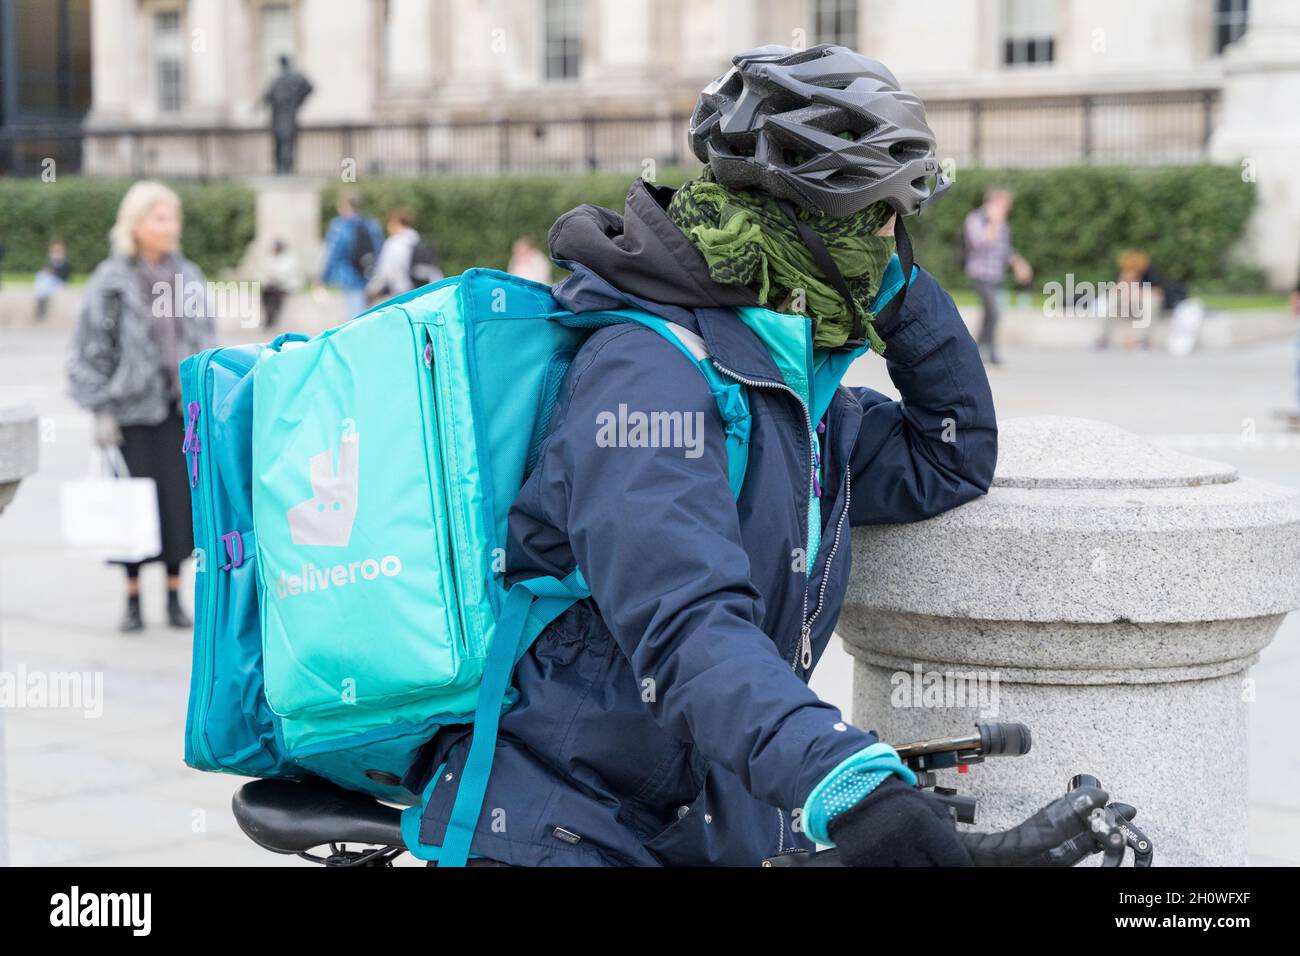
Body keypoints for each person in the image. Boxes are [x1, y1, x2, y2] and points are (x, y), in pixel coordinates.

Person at [414, 45, 999, 867]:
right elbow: (687, 624)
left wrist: (899, 296)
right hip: (565, 824)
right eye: (882, 222)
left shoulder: (788, 383)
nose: (894, 246)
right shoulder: (646, 374)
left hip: (702, 817)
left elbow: (950, 454)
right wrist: (843, 777)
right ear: (819, 224)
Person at [67, 181, 215, 633]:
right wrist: (100, 408)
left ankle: (174, 596)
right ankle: (132, 600)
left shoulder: (187, 276)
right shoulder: (110, 282)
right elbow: (89, 348)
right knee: (131, 507)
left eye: (174, 218)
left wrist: (206, 394)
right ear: (136, 225)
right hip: (130, 412)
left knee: (178, 507)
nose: (171, 227)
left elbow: (207, 337)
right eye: (161, 218)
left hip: (177, 410)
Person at [963, 187, 1032, 365]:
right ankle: (988, 352)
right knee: (994, 311)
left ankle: (977, 351)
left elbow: (1005, 249)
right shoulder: (976, 219)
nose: (1007, 209)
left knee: (989, 313)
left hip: (995, 274)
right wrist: (993, 223)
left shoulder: (1003, 223)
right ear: (995, 202)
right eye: (1005, 205)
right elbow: (979, 243)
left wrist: (1019, 265)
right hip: (979, 272)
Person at [320, 192, 383, 320]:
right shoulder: (371, 224)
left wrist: (322, 279)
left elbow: (333, 253)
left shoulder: (339, 226)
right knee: (364, 311)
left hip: (349, 276)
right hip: (368, 273)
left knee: (354, 314)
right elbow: (379, 250)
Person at [365, 207, 442, 304]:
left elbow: (384, 270)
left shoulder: (393, 243)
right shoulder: (417, 239)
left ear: (395, 223)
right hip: (421, 289)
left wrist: (373, 289)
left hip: (401, 290)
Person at [263, 55, 313, 175]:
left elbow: (309, 88)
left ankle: (284, 169)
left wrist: (298, 102)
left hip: (285, 116)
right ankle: (282, 169)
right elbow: (268, 97)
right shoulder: (279, 80)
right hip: (280, 116)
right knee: (283, 143)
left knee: (285, 143)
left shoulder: (287, 79)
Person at [259, 238, 303, 329]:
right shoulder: (272, 257)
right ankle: (268, 318)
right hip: (274, 285)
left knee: (276, 295)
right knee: (265, 293)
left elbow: (285, 274)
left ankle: (272, 319)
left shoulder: (290, 258)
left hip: (287, 286)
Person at [34, 239, 71, 321]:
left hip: (60, 282)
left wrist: (53, 273)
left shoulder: (64, 262)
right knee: (41, 276)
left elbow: (65, 275)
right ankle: (40, 296)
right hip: (51, 283)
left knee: (45, 280)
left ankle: (41, 301)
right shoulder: (52, 261)